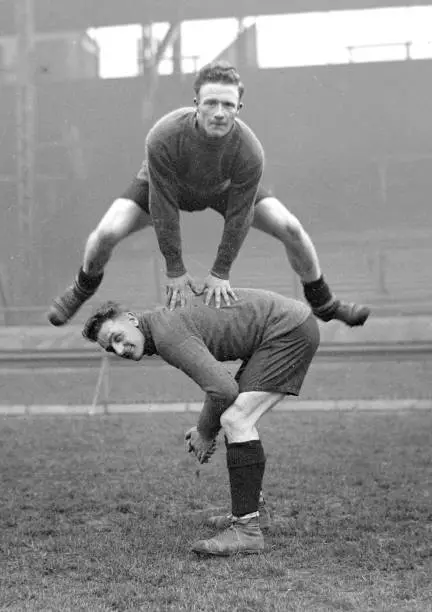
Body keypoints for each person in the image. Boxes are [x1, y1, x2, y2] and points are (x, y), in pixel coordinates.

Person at [48, 60, 370, 327]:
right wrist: (175, 268)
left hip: (222, 189)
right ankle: (82, 287)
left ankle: (324, 303)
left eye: (228, 104)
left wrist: (221, 271)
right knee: (105, 234)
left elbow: (240, 214)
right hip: (163, 187)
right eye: (211, 103)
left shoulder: (249, 151)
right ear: (196, 105)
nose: (219, 112)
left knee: (291, 229)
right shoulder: (163, 136)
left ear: (238, 108)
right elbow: (162, 205)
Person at [81, 287, 320, 556]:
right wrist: (205, 428)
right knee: (236, 413)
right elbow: (224, 387)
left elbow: (222, 389)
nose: (118, 349)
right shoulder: (161, 328)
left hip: (288, 331)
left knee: (236, 418)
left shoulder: (165, 334)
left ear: (131, 319)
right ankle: (255, 513)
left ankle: (247, 531)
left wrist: (205, 433)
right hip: (286, 327)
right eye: (111, 348)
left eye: (117, 337)